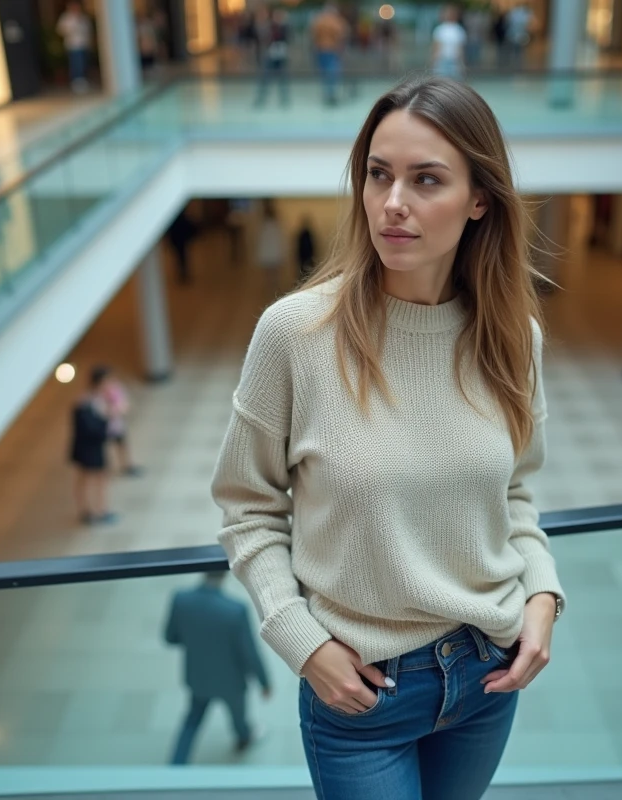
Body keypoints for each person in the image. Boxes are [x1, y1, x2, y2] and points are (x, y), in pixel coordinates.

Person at [212, 76, 564, 800]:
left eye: (425, 179)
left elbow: (517, 492)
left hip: (488, 675)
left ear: (478, 201)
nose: (392, 202)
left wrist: (543, 598)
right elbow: (246, 507)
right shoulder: (295, 335)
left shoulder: (512, 338)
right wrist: (301, 642)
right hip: (364, 693)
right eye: (379, 175)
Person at [165, 572, 272, 764]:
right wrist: (264, 682)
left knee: (191, 721)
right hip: (231, 682)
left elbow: (170, 637)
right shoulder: (235, 611)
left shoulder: (181, 600)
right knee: (238, 716)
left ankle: (176, 766)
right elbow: (249, 653)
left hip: (198, 676)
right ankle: (243, 738)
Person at [70, 366, 116, 525]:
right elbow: (89, 428)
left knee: (96, 478)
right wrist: (106, 417)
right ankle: (89, 511)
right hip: (88, 448)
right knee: (87, 479)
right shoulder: (85, 403)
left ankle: (98, 509)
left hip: (93, 446)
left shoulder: (97, 399)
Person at [100, 371, 142, 476]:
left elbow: (124, 405)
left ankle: (126, 465)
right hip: (104, 426)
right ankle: (106, 468)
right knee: (106, 448)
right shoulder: (99, 394)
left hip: (116, 425)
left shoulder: (115, 389)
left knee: (122, 445)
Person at [311, 1, 349, 106]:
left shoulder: (319, 20)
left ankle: (328, 94)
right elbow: (343, 34)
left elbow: (313, 34)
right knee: (332, 72)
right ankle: (331, 95)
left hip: (321, 50)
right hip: (332, 50)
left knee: (325, 73)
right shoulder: (336, 21)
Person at [253, 6, 290, 108]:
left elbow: (287, 39)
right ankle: (261, 98)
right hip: (269, 55)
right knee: (265, 78)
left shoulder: (284, 27)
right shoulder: (268, 27)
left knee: (282, 78)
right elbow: (261, 38)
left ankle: (284, 99)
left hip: (280, 55)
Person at [57, 1, 93, 92]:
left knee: (83, 63)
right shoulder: (66, 18)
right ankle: (76, 82)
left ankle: (83, 80)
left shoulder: (83, 17)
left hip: (83, 44)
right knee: (76, 63)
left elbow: (88, 30)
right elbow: (60, 30)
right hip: (73, 45)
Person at [256, 200, 285, 293]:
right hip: (271, 247)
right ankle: (272, 284)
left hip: (271, 247)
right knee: (271, 269)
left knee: (272, 269)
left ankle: (272, 283)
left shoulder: (268, 222)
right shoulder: (268, 222)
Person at [431, 5, 467, 80]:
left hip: (454, 59)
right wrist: (434, 61)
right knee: (441, 81)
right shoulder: (440, 29)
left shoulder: (458, 30)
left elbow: (460, 48)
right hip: (442, 59)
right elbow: (436, 47)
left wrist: (461, 63)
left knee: (455, 81)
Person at [296, 217, 317, 282]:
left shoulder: (304, 234)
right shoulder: (307, 235)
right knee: (307, 272)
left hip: (304, 256)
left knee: (304, 272)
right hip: (306, 256)